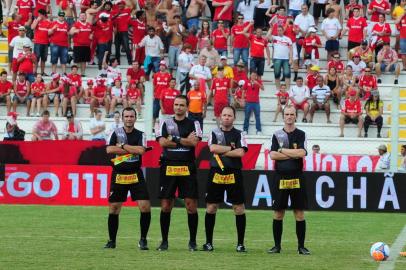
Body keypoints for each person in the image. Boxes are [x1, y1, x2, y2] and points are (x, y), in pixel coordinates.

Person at [155, 95, 202, 251]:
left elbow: (194, 143)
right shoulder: (164, 122)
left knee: (191, 205)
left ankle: (193, 242)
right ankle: (164, 241)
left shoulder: (194, 123)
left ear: (187, 107)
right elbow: (162, 142)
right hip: (168, 166)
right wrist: (184, 140)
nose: (178, 107)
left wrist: (173, 138)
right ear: (173, 106)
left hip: (187, 167)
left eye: (182, 105)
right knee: (166, 205)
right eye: (176, 104)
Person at [104, 107, 151, 250]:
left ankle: (143, 240)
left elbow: (142, 151)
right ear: (122, 118)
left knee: (145, 207)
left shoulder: (140, 134)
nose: (129, 119)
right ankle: (112, 241)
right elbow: (109, 149)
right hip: (119, 175)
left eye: (131, 116)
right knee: (114, 209)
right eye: (126, 116)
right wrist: (132, 149)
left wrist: (123, 145)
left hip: (136, 174)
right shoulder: (115, 132)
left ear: (135, 118)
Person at [203, 106, 248, 252]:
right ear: (220, 117)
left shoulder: (240, 134)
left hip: (234, 173)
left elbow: (241, 152)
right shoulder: (214, 132)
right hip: (216, 172)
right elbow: (212, 149)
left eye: (229, 115)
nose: (227, 117)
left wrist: (223, 150)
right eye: (224, 115)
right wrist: (230, 148)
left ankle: (240, 244)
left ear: (234, 117)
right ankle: (208, 243)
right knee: (211, 207)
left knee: (239, 208)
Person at [268, 105, 310, 255]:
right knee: (278, 213)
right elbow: (272, 155)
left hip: (297, 177)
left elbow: (302, 153)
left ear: (296, 116)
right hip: (280, 177)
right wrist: (292, 154)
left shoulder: (301, 134)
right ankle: (277, 246)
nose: (289, 116)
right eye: (287, 114)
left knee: (299, 213)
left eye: (292, 114)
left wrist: (282, 150)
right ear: (283, 116)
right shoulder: (277, 134)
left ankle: (301, 247)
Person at [69, 12, 93, 76]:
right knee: (77, 61)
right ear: (79, 17)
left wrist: (91, 36)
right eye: (81, 16)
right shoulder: (76, 24)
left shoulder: (89, 25)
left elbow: (91, 33)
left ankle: (83, 74)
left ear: (86, 17)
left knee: (84, 61)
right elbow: (70, 32)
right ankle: (75, 74)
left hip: (87, 46)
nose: (82, 17)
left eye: (84, 16)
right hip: (78, 46)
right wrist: (75, 31)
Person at [271, 25, 293, 91]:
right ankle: (278, 90)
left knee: (287, 74)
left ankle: (288, 90)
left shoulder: (288, 39)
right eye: (278, 30)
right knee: (277, 74)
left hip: (286, 59)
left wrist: (291, 58)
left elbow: (291, 50)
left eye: (280, 30)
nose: (279, 32)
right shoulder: (274, 38)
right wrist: (271, 28)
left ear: (283, 31)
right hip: (276, 58)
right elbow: (267, 37)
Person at [31, 9, 51, 76]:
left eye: (40, 14)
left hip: (45, 43)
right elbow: (32, 27)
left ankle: (42, 72)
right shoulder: (36, 20)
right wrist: (37, 20)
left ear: (43, 15)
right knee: (36, 58)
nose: (38, 16)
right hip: (38, 43)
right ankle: (34, 72)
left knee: (44, 59)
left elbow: (50, 33)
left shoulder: (48, 22)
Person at [112, 0, 132, 65]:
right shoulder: (114, 12)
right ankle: (117, 63)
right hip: (117, 32)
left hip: (124, 31)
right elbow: (111, 21)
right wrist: (114, 28)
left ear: (124, 5)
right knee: (117, 49)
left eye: (121, 4)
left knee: (127, 47)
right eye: (119, 4)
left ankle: (130, 62)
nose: (120, 5)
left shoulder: (127, 10)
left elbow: (132, 6)